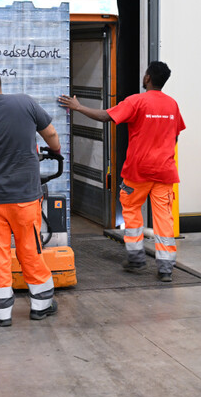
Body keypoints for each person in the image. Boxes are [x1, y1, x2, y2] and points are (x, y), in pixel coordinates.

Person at [59, 61, 185, 282]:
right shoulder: (172, 105)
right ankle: (166, 268)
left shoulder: (137, 101)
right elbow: (175, 136)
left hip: (138, 171)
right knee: (164, 218)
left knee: (131, 209)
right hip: (165, 171)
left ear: (147, 78)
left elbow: (106, 116)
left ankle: (136, 259)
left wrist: (78, 107)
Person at [0, 63, 61, 326]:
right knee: (31, 249)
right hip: (25, 198)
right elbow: (51, 133)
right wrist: (55, 150)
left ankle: (1, 312)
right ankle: (41, 305)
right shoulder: (25, 103)